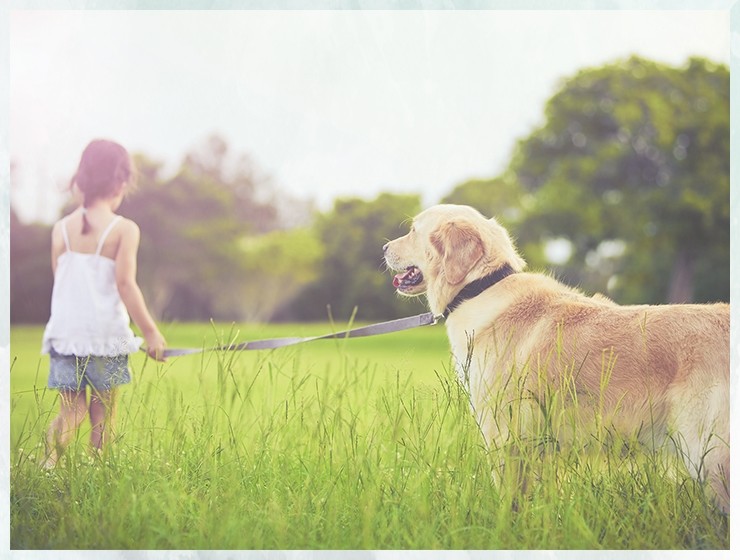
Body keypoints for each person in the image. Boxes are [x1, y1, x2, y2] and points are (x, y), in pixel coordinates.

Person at [41, 139, 167, 468]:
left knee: (71, 411)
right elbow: (126, 284)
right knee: (103, 415)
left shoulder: (60, 230)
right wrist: (151, 333)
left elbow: (61, 281)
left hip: (66, 337)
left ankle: (48, 465)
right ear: (121, 183)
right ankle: (99, 473)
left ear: (81, 179)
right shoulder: (124, 229)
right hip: (106, 339)